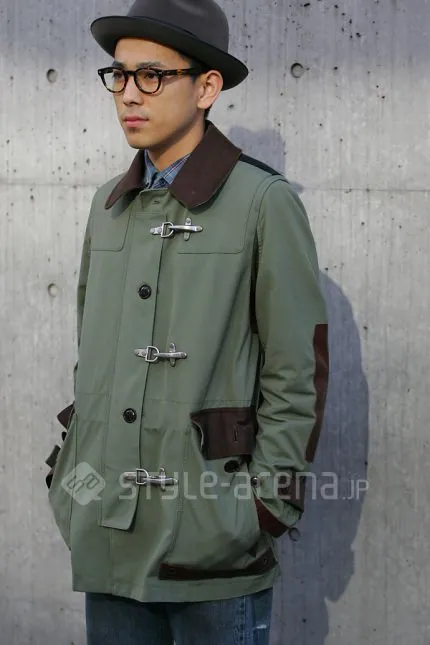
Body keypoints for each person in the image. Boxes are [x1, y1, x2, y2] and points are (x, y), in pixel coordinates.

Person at [45, 1, 329, 643]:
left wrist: (262, 510)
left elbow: (298, 373)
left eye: (152, 75)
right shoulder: (107, 206)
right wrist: (70, 483)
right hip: (107, 533)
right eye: (119, 75)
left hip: (214, 543)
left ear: (206, 87)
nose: (128, 94)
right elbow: (92, 359)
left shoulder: (264, 203)